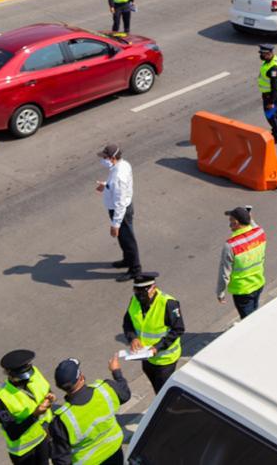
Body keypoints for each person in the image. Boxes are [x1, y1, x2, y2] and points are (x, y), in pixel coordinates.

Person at [48, 356, 129, 465]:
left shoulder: (62, 420)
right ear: (81, 377)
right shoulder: (105, 389)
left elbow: (61, 459)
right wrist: (116, 371)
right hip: (115, 454)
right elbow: (125, 394)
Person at [123, 272, 184, 394]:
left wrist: (158, 347)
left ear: (153, 288)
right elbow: (127, 323)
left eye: (143, 291)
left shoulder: (168, 303)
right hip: (146, 357)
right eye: (137, 291)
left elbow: (178, 329)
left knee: (163, 392)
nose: (140, 295)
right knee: (157, 389)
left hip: (165, 359)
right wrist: (133, 338)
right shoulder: (135, 300)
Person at [0, 349, 55, 465]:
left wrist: (50, 398)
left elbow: (45, 389)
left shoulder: (34, 373)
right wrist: (35, 415)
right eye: (21, 377)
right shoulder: (1, 399)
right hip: (24, 452)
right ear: (9, 373)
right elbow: (12, 433)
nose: (26, 379)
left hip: (43, 438)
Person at [97, 145, 140, 282]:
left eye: (105, 157)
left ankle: (135, 270)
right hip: (122, 208)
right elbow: (117, 187)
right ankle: (127, 260)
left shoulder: (118, 177)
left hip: (121, 212)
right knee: (123, 239)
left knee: (128, 240)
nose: (103, 160)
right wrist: (106, 185)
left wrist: (115, 224)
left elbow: (120, 202)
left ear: (113, 158)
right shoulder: (122, 165)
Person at [216, 206, 266, 319]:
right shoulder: (260, 233)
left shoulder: (231, 246)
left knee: (248, 322)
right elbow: (253, 225)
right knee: (254, 313)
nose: (229, 224)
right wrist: (249, 217)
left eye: (230, 221)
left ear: (236, 222)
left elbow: (224, 273)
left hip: (242, 290)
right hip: (258, 283)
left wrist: (220, 293)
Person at [258, 44, 277, 144]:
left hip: (272, 95)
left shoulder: (273, 68)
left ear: (269, 54)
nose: (261, 55)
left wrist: (271, 102)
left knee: (273, 116)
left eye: (263, 54)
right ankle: (276, 131)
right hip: (268, 94)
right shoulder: (271, 60)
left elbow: (274, 86)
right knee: (271, 115)